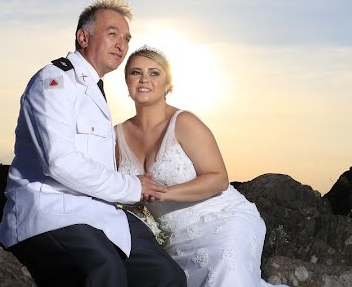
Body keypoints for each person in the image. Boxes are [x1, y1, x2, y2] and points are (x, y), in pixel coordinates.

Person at [0, 0, 186, 287]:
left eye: (126, 38)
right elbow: (59, 163)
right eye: (112, 34)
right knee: (105, 270)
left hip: (96, 211)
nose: (121, 44)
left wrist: (129, 186)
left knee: (169, 277)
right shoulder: (54, 82)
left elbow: (93, 161)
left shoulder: (93, 88)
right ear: (83, 37)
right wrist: (132, 188)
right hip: (52, 210)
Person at [115, 46, 284, 287]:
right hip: (175, 241)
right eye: (135, 73)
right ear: (127, 82)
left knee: (226, 276)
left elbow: (218, 179)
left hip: (223, 220)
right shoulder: (116, 137)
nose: (144, 79)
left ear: (168, 84)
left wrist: (162, 193)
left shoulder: (184, 122)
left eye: (154, 73)